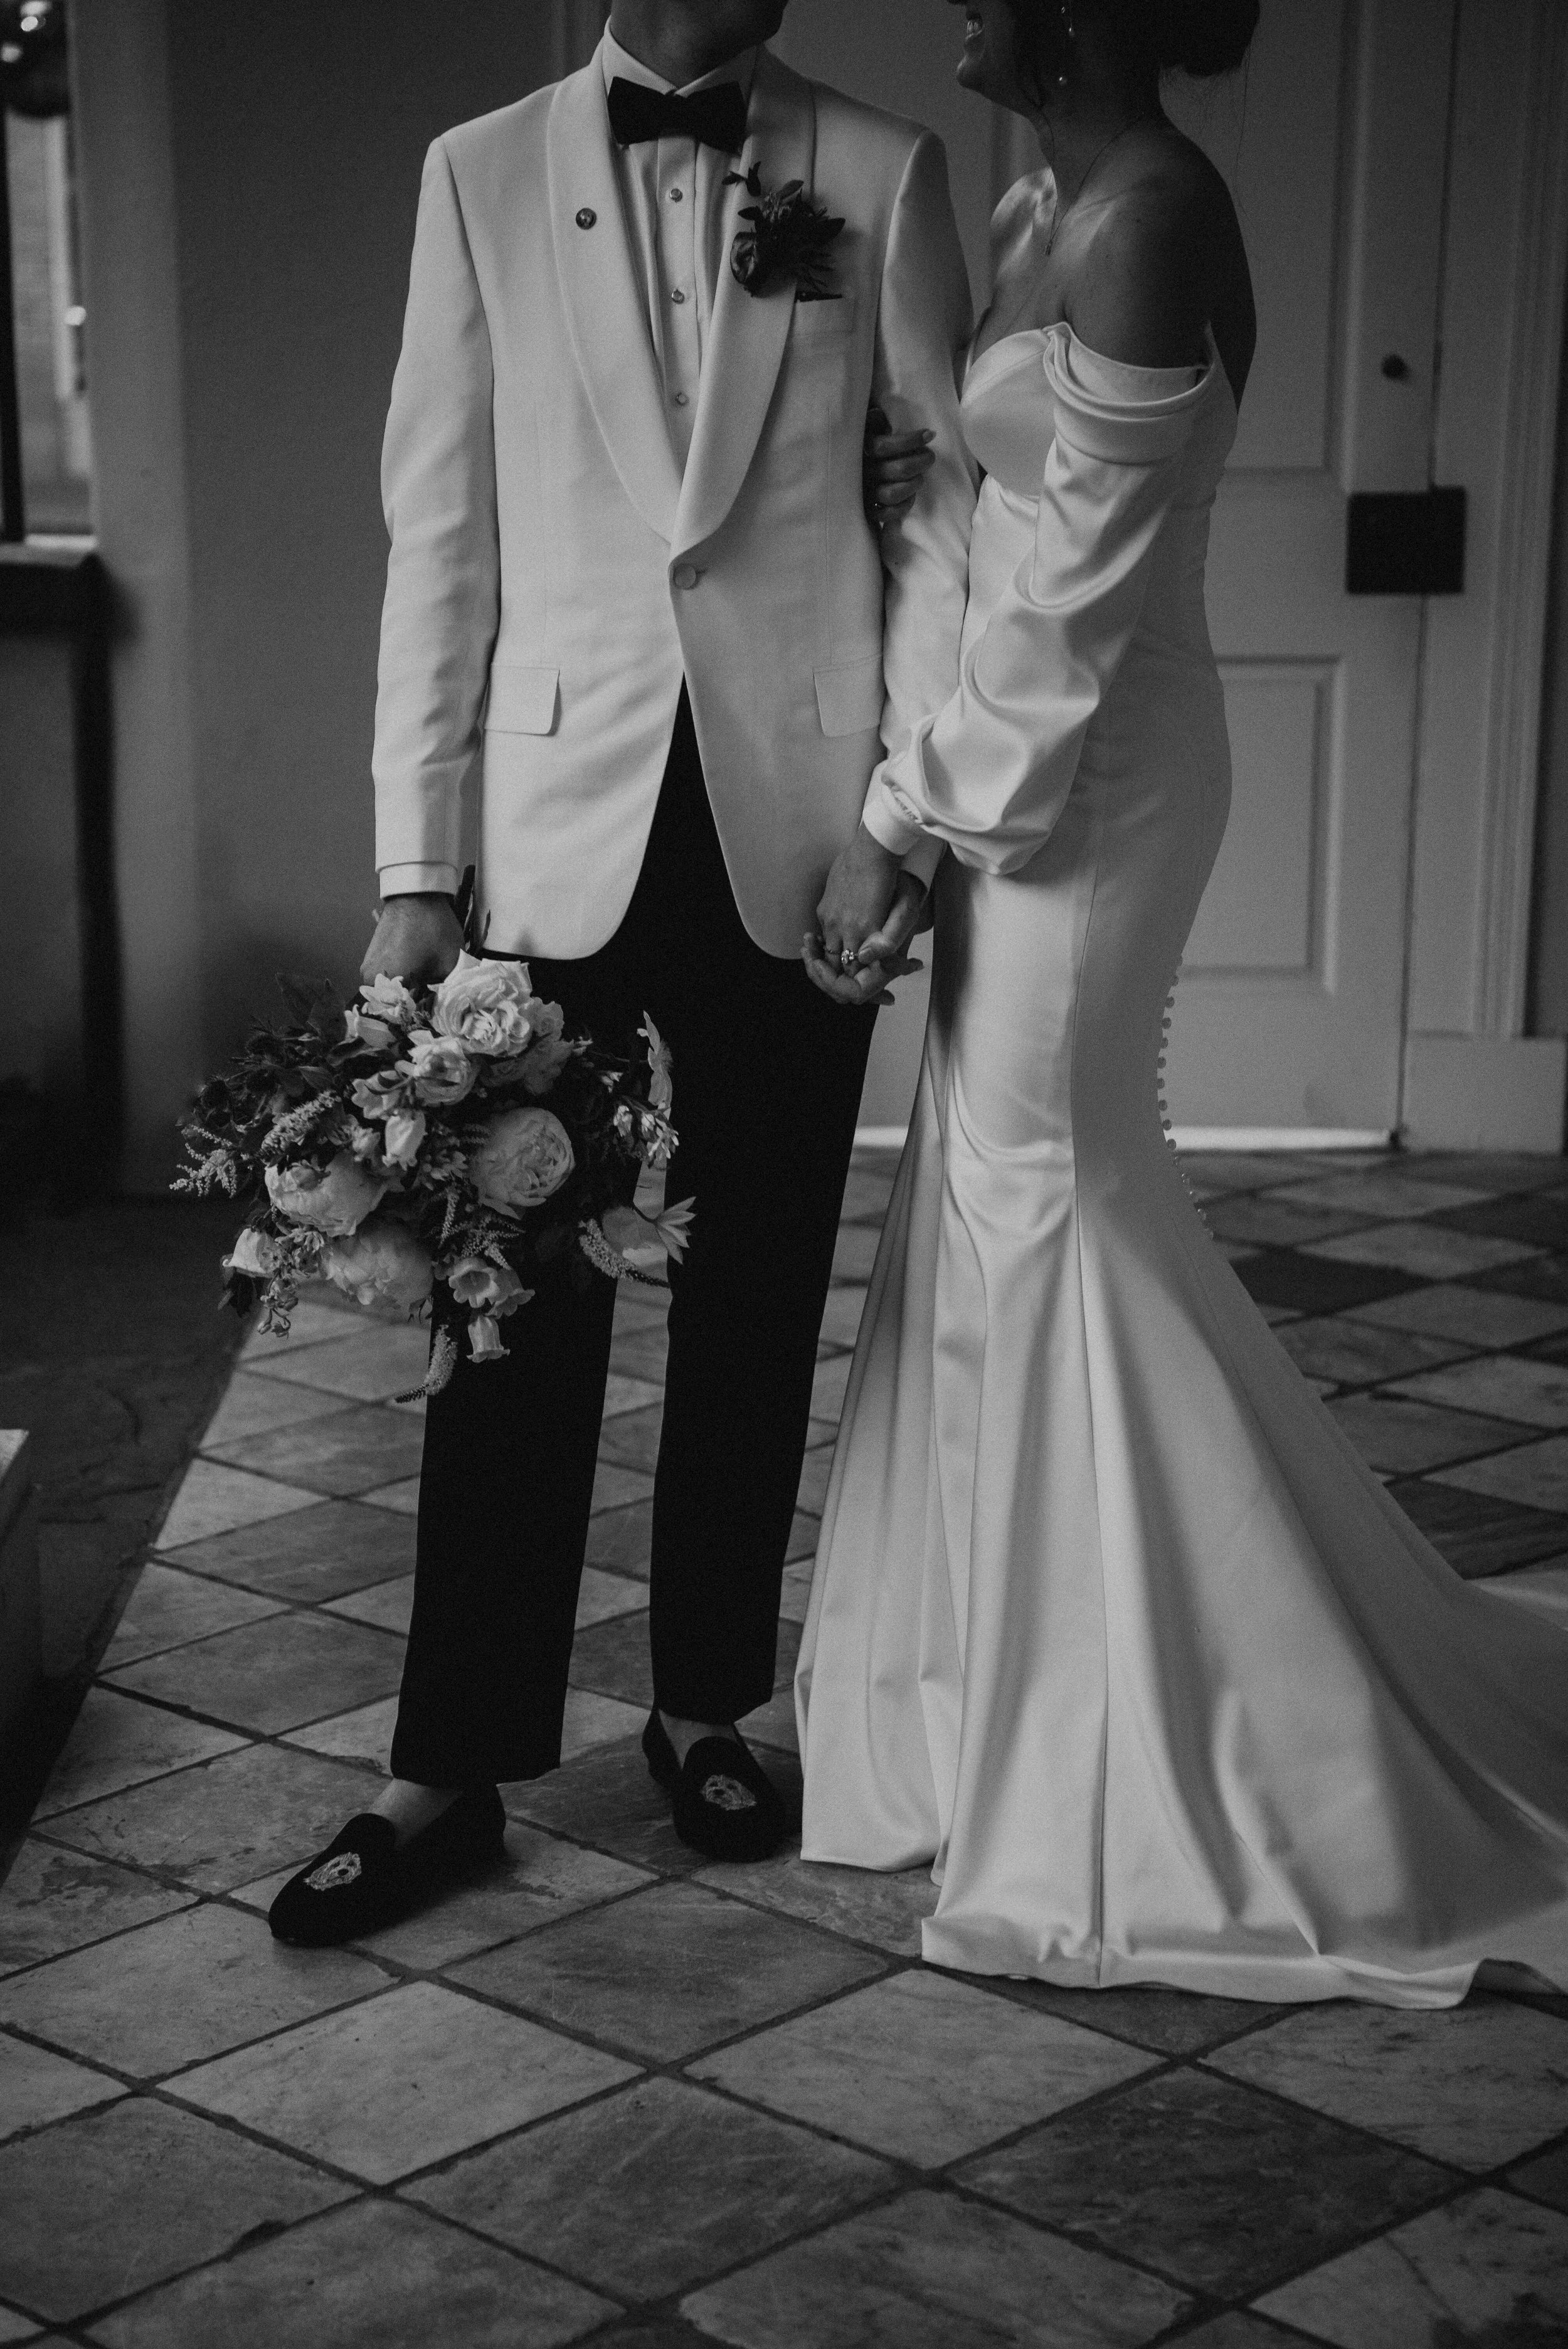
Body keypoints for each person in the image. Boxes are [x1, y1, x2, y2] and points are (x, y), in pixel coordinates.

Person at [795, 0, 1568, 2006]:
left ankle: (1190, 1733)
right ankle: (1003, 1688)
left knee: (1054, 1190)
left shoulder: (1149, 215)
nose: (955, 5)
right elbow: (975, 524)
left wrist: (905, 826)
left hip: (1094, 776)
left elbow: (1076, 598)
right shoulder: (1040, 199)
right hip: (1008, 766)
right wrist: (899, 770)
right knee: (990, 1188)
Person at [270, 0, 977, 1946]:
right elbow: (439, 531)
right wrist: (418, 868)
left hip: (797, 824)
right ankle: (448, 1766)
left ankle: (705, 1706)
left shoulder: (882, 167)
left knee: (756, 1284)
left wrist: (899, 811)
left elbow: (941, 509)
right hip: (546, 832)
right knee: (507, 1308)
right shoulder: (479, 174)